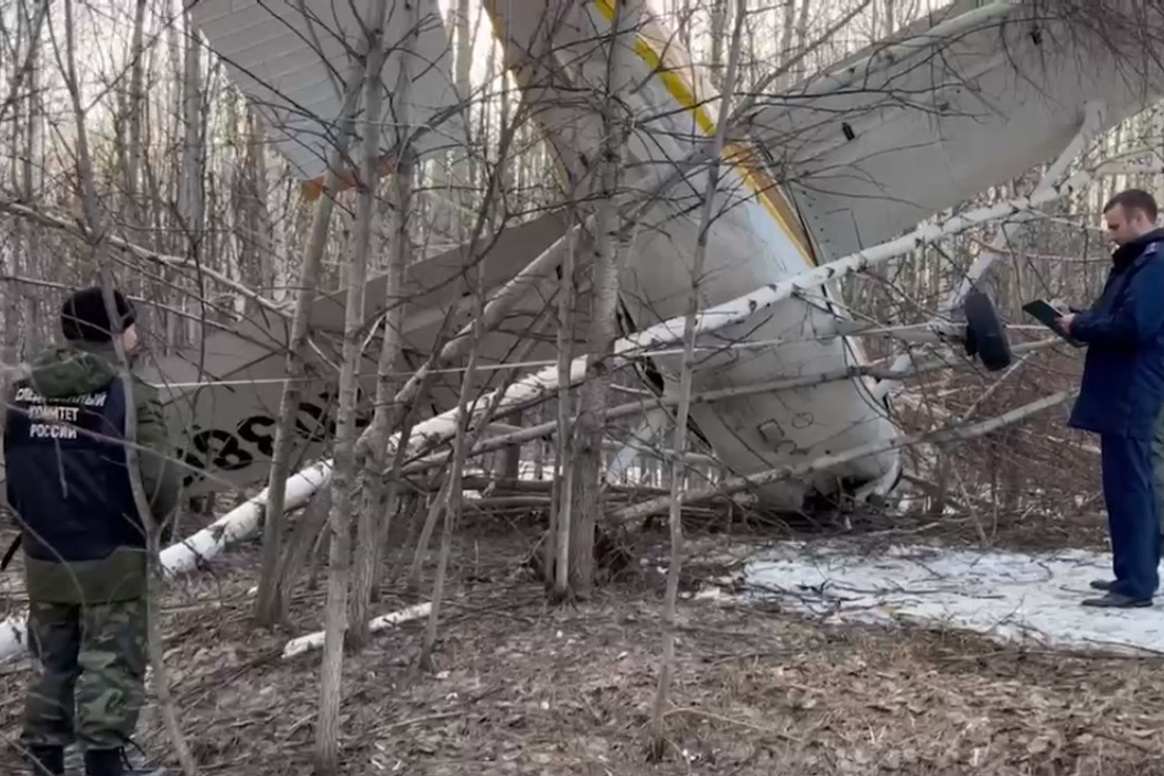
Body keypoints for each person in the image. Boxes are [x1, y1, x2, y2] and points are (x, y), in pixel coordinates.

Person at [3, 287, 181, 775]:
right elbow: (160, 480)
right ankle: (105, 764)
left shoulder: (23, 390)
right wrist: (151, 530)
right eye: (132, 324)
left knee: (51, 666)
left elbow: (14, 468)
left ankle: (44, 761)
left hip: (44, 555)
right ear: (117, 331)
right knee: (110, 666)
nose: (137, 335)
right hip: (113, 554)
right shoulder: (129, 391)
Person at [1056, 188, 1164, 608]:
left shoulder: (1154, 265)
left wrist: (1081, 327)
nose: (1110, 235)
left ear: (1140, 218)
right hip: (1120, 387)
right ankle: (1130, 573)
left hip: (1135, 387)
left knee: (1133, 486)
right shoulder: (1136, 264)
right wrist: (1078, 319)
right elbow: (1116, 317)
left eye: (1115, 226)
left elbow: (1135, 327)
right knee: (1123, 485)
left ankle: (1137, 584)